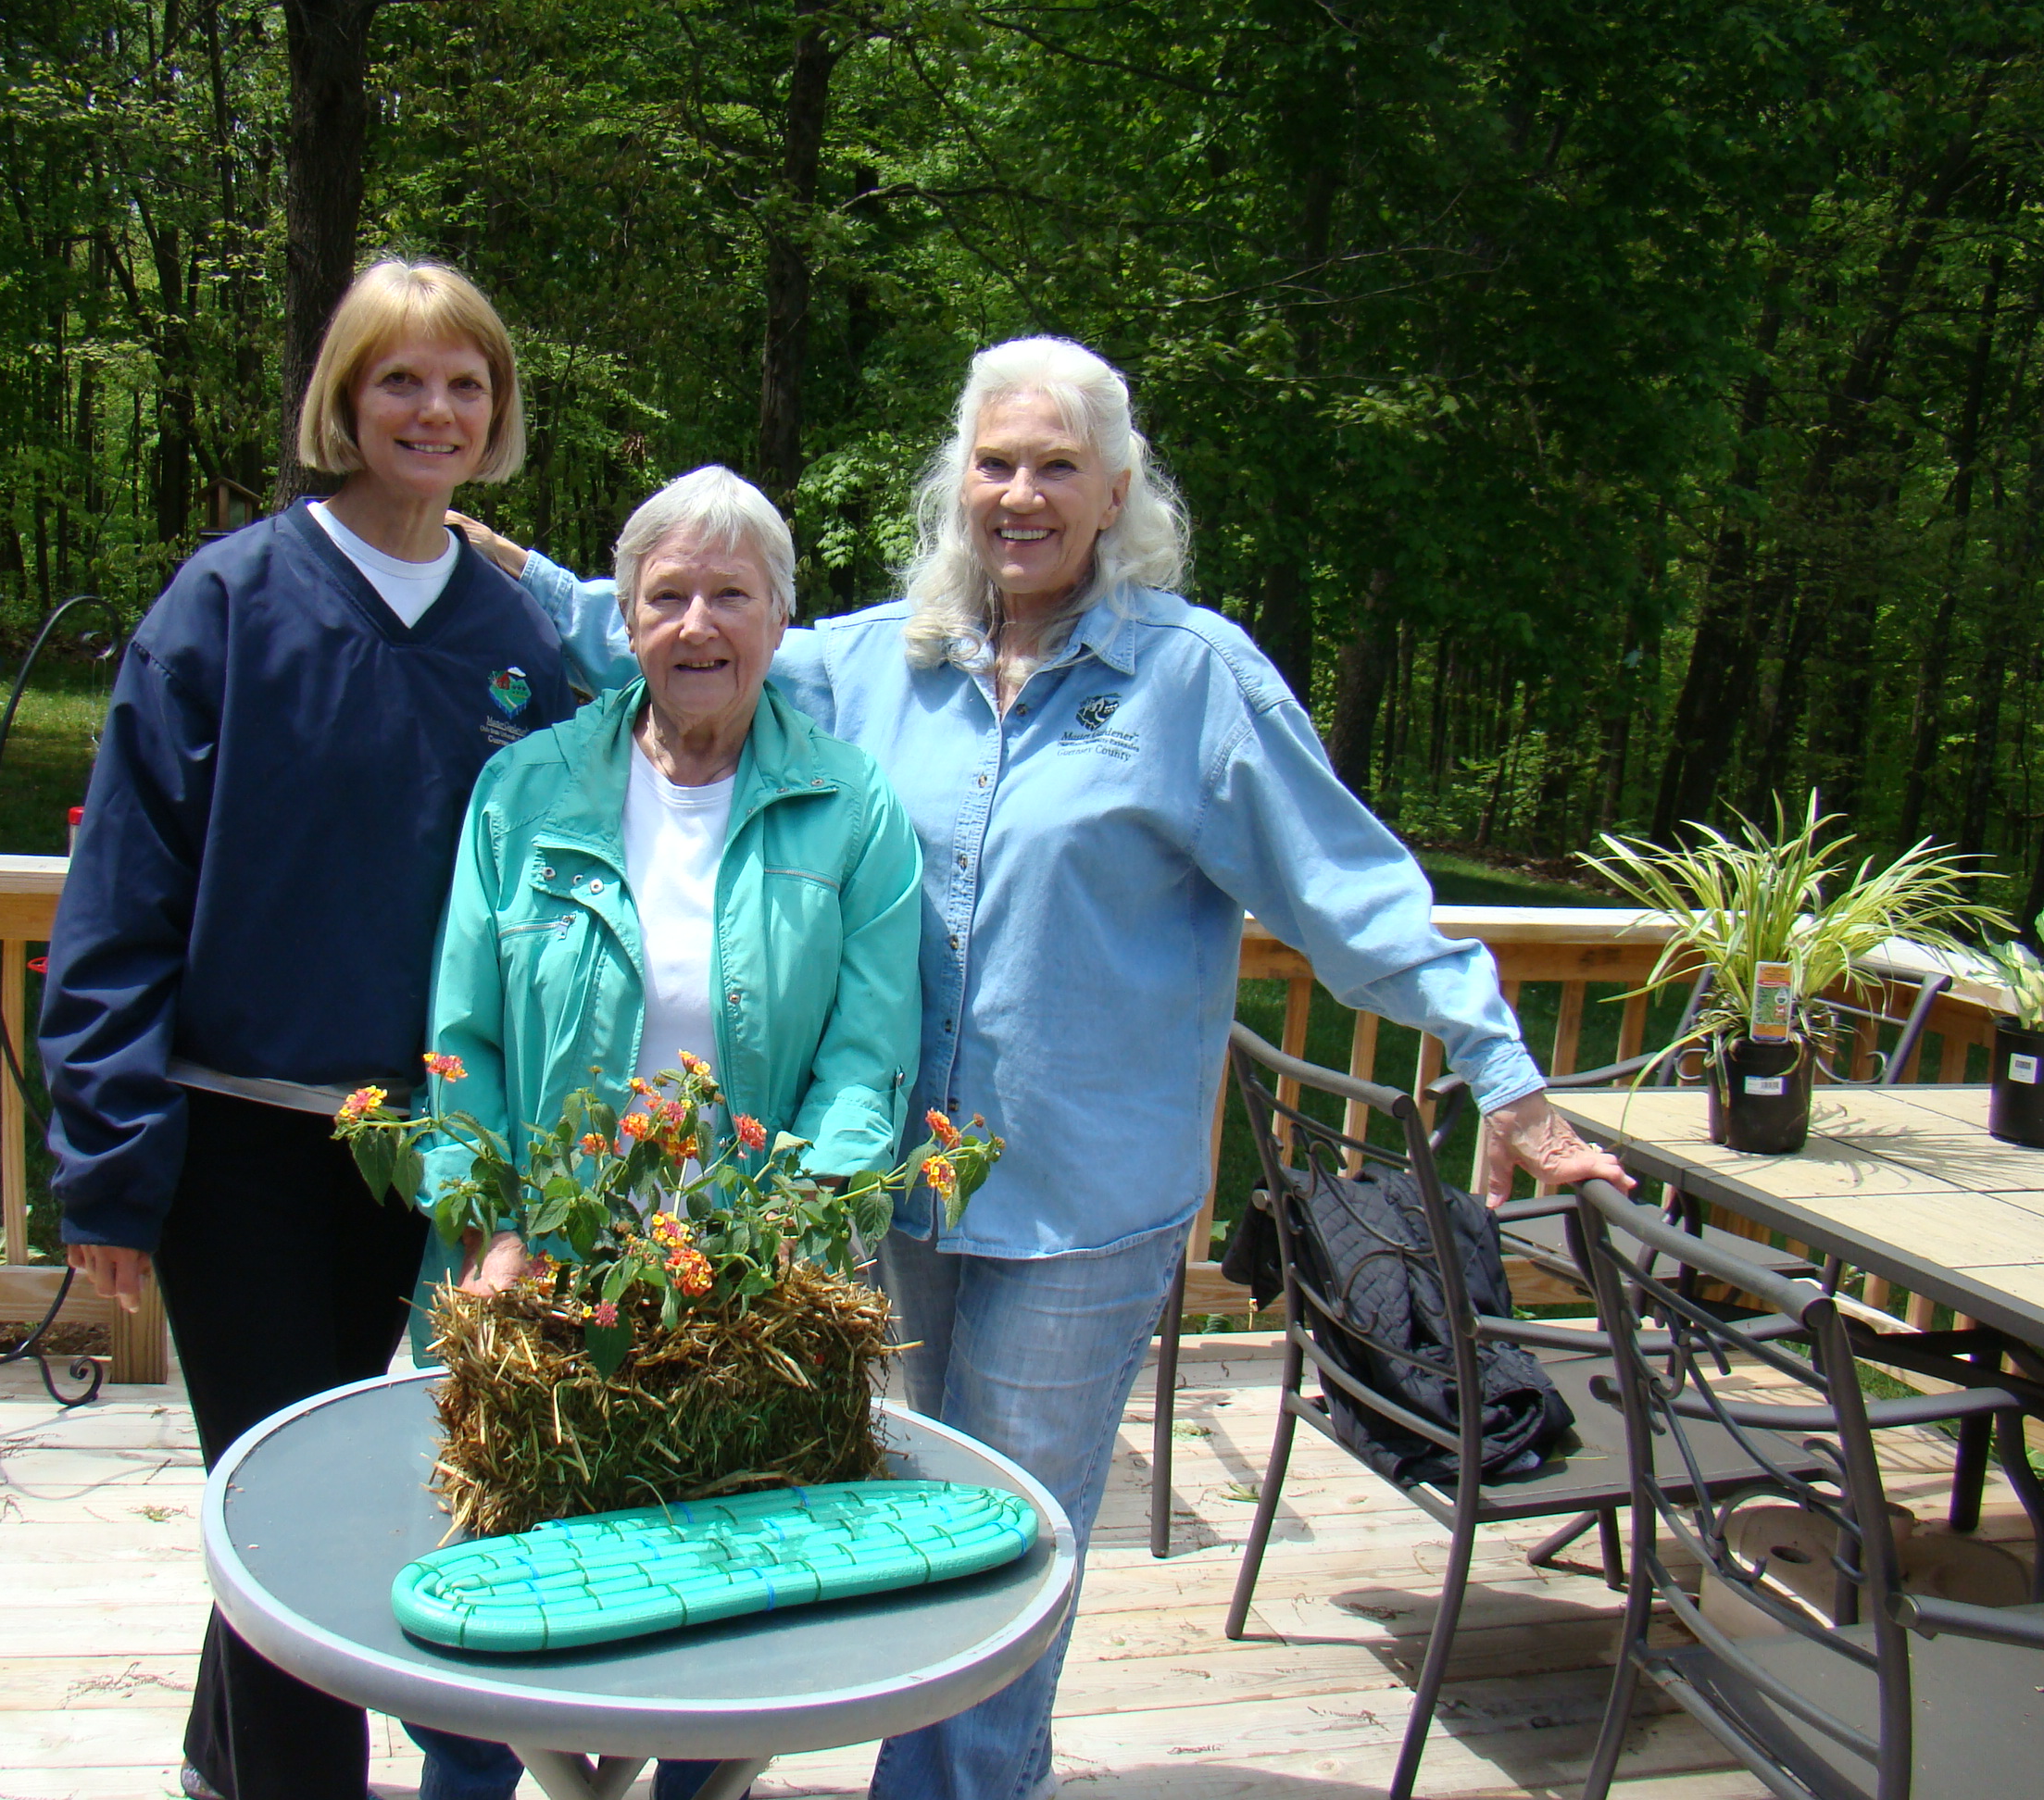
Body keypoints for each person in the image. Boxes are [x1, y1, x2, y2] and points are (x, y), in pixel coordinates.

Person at [454, 336, 1631, 1800]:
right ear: (960, 482)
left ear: (1117, 488)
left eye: (1057, 466)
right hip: (884, 1198)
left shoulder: (1194, 684)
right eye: (996, 463)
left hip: (1077, 1209)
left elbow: (1352, 893)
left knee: (1007, 1553)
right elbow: (684, 627)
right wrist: (465, 536)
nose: (1022, 495)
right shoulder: (883, 661)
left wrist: (1502, 1071)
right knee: (884, 1525)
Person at [38, 259, 575, 1800]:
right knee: (294, 1506)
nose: (434, 410)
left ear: (497, 414)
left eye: (464, 384)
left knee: (335, 1494)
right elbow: (123, 891)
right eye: (401, 379)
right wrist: (113, 1162)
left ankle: (226, 1764)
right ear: (343, 400)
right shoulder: (227, 601)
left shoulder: (517, 631)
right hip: (243, 1142)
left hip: (433, 1158)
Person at [404, 465, 923, 1800]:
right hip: (540, 1272)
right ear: (623, 620)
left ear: (778, 621)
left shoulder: (851, 807)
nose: (700, 625)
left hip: (739, 1287)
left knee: (721, 1622)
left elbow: (866, 1063)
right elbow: (460, 1037)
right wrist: (494, 1224)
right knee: (490, 1613)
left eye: (732, 596)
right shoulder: (526, 791)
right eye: (668, 595)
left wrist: (782, 1245)